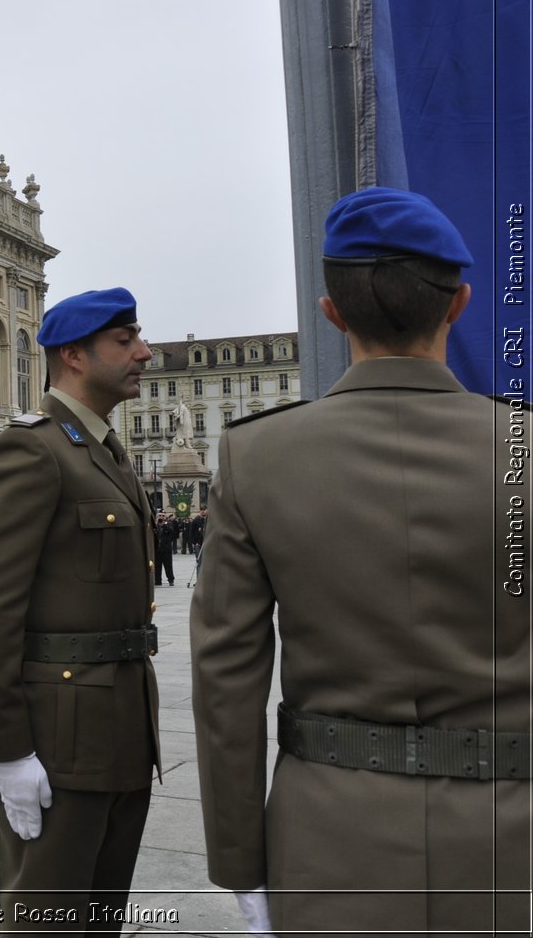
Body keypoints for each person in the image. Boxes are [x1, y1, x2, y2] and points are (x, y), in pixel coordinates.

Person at [190, 187, 530, 935]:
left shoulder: (257, 456)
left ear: (331, 312)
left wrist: (242, 864)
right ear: (460, 303)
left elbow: (226, 686)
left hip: (327, 844)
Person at [0, 286, 159, 933]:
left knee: (99, 922)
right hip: (59, 741)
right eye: (124, 342)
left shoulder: (105, 452)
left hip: (119, 733)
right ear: (74, 354)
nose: (143, 353)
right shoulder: (33, 450)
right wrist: (6, 749)